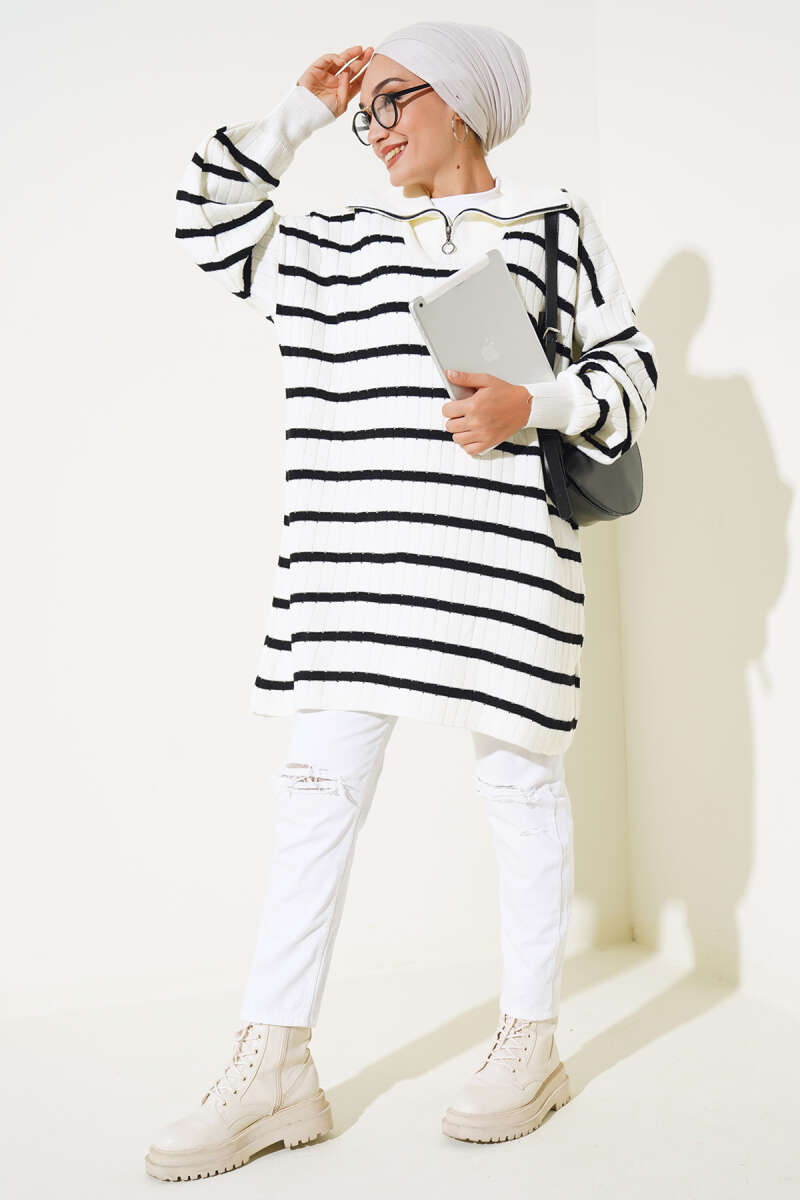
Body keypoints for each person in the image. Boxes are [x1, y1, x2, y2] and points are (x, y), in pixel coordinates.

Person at [148, 20, 657, 1179]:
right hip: (352, 572)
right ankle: (274, 1066)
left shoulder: (550, 226)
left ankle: (528, 1042)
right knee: (314, 799)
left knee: (518, 790)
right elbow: (205, 218)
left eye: (391, 101)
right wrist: (300, 111)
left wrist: (532, 407)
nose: (371, 127)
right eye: (361, 110)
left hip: (503, 568)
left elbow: (628, 373)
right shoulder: (330, 241)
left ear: (462, 101)